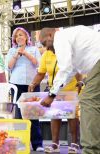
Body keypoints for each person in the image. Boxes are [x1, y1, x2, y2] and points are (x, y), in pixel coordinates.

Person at [38, 25, 100, 154]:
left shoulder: (60, 37)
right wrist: (55, 92)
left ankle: (92, 150)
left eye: (45, 43)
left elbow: (65, 69)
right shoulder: (69, 37)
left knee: (88, 100)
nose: (47, 48)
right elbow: (70, 71)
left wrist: (51, 95)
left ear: (50, 35)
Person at [28, 49, 83, 153]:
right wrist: (33, 83)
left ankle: (75, 143)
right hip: (55, 90)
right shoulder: (46, 54)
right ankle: (55, 144)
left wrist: (80, 81)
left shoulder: (68, 50)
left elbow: (76, 69)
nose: (45, 46)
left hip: (71, 88)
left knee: (72, 115)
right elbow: (41, 73)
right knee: (55, 114)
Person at [7, 27, 44, 152]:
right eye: (16, 36)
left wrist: (25, 53)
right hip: (16, 85)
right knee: (19, 115)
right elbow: (9, 66)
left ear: (27, 37)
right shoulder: (12, 50)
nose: (19, 37)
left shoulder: (33, 49)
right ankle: (20, 143)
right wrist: (17, 53)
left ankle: (37, 143)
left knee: (33, 114)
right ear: (14, 39)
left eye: (21, 35)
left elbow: (37, 63)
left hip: (31, 84)